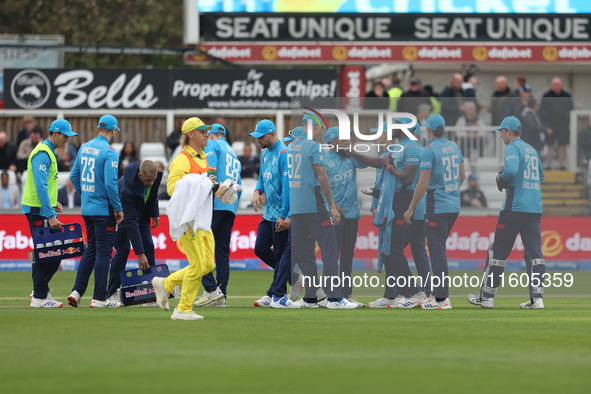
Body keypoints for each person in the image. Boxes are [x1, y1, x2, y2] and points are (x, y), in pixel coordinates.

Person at [468, 116, 546, 309]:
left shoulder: (512, 147)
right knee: (535, 254)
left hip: (515, 207)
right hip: (534, 208)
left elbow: (510, 171)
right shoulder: (532, 149)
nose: (501, 135)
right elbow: (541, 175)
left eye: (502, 132)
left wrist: (500, 179)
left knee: (498, 251)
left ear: (509, 132)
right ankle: (537, 299)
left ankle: (487, 297)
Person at [152, 117, 222, 320]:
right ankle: (182, 309)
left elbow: (202, 185)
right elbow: (173, 188)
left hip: (203, 218)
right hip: (189, 220)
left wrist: (215, 186)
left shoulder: (203, 157)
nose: (207, 134)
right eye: (202, 132)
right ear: (190, 134)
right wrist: (201, 182)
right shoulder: (182, 158)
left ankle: (166, 284)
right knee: (199, 265)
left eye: (206, 131)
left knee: (207, 265)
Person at [286, 114, 357, 309]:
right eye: (320, 128)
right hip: (314, 203)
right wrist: (332, 205)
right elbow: (322, 175)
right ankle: (334, 298)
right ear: (314, 127)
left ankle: (298, 296)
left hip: (297, 205)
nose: (320, 133)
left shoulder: (291, 147)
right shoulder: (314, 147)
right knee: (330, 249)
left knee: (296, 251)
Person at [404, 114, 465, 310]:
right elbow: (462, 176)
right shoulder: (455, 147)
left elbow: (422, 184)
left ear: (428, 130)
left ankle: (441, 298)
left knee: (437, 253)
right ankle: (438, 296)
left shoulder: (429, 151)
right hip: (453, 205)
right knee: (439, 250)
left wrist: (411, 208)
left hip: (437, 206)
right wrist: (450, 191)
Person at [68, 115, 124, 308]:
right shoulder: (110, 152)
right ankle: (99, 298)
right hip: (103, 209)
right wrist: (117, 207)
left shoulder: (84, 147)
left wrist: (86, 194)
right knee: (104, 253)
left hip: (87, 208)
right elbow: (110, 183)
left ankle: (77, 292)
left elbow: (74, 176)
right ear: (113, 130)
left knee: (91, 249)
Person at [22, 118, 77, 308]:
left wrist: (53, 204)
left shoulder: (48, 152)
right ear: (55, 133)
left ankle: (41, 291)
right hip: (38, 210)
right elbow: (40, 186)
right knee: (50, 252)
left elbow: (45, 186)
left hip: (42, 209)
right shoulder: (43, 153)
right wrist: (50, 214)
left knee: (48, 252)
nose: (67, 140)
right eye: (65, 136)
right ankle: (39, 294)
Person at [194, 123, 242, 308]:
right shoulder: (233, 153)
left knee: (198, 242)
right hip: (231, 205)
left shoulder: (213, 145)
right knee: (222, 251)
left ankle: (211, 289)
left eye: (207, 134)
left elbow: (210, 172)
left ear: (212, 135)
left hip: (216, 202)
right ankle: (221, 293)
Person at [318, 127, 368, 307]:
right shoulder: (323, 159)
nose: (346, 141)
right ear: (332, 141)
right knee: (332, 256)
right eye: (342, 139)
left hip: (352, 214)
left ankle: (346, 294)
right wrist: (329, 207)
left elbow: (365, 164)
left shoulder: (350, 156)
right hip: (334, 215)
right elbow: (318, 187)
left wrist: (351, 149)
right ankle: (328, 294)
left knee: (347, 257)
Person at [106, 160, 162, 302]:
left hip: (141, 214)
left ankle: (152, 291)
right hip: (122, 216)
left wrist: (155, 212)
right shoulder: (127, 190)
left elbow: (153, 194)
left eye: (153, 180)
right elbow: (131, 223)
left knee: (149, 245)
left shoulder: (153, 178)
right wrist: (139, 253)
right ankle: (111, 293)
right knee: (123, 249)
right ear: (139, 175)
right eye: (148, 180)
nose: (151, 183)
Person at [249, 119, 290, 307]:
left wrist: (285, 215)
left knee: (281, 255)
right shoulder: (265, 153)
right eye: (256, 137)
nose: (258, 140)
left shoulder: (283, 154)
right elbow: (262, 178)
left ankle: (274, 293)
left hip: (280, 214)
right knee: (260, 248)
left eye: (261, 137)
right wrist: (257, 191)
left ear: (272, 134)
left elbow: (289, 188)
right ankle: (289, 275)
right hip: (268, 213)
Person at [539, 77, 575, 169]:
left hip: (563, 125)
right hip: (550, 125)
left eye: (558, 85)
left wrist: (568, 123)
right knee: (550, 145)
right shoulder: (546, 95)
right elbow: (541, 112)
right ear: (552, 85)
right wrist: (545, 126)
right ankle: (549, 165)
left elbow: (572, 111)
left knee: (562, 145)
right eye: (555, 85)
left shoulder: (567, 96)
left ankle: (562, 165)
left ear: (561, 85)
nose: (556, 86)